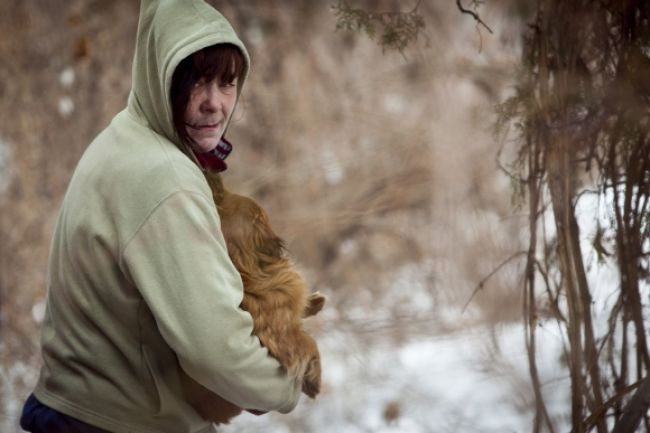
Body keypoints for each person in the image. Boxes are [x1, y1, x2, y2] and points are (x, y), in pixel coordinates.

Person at [19, 1, 302, 432]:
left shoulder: (123, 139)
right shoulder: (164, 177)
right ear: (160, 78)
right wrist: (286, 383)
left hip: (73, 409)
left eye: (227, 84)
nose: (214, 104)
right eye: (197, 82)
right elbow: (215, 348)